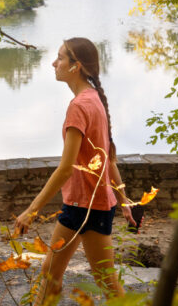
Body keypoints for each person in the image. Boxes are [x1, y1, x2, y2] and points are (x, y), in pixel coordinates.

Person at [15, 37, 137, 304]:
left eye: (60, 58)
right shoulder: (94, 99)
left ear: (76, 66)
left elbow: (65, 169)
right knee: (80, 278)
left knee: (64, 278)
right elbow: (109, 159)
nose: (53, 63)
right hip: (94, 204)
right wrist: (124, 203)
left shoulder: (80, 106)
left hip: (84, 205)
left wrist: (31, 211)